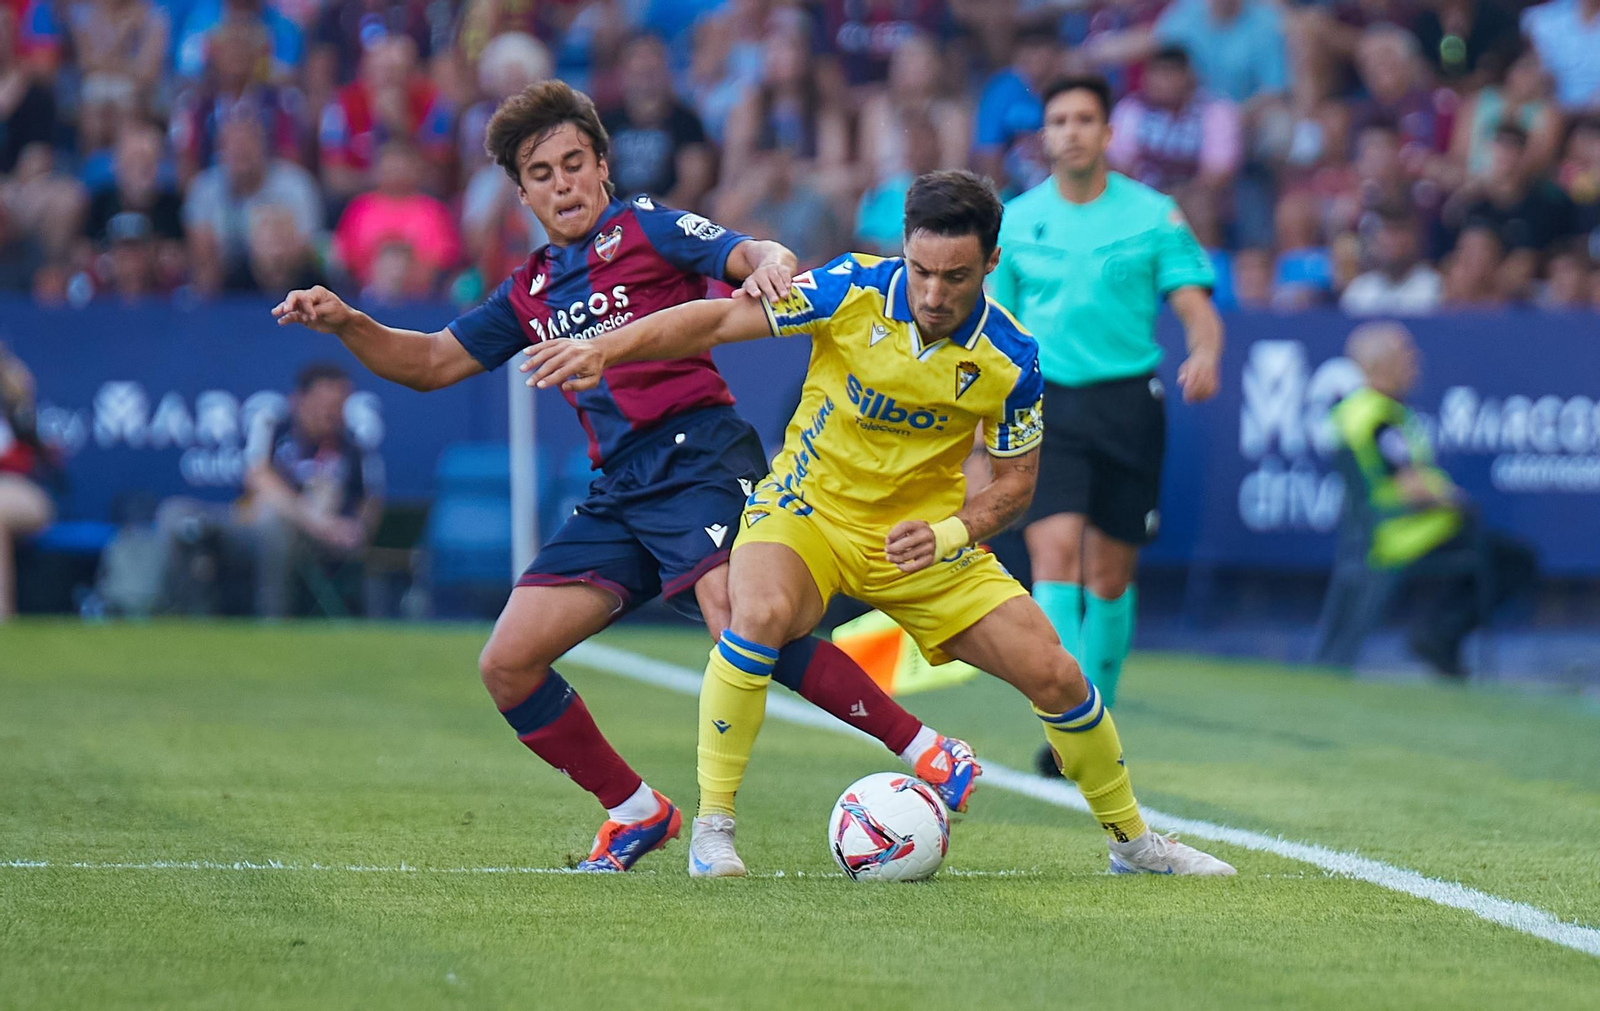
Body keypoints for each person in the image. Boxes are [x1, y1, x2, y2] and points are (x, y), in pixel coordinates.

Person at [273, 80, 978, 875]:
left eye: (575, 163)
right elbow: (433, 361)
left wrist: (773, 259)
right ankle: (636, 810)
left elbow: (742, 252)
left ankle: (928, 748)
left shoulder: (645, 226)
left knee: (742, 621)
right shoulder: (531, 289)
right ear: (521, 193)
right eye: (542, 174)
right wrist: (348, 323)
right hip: (621, 488)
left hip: (702, 454)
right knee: (507, 662)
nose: (563, 183)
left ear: (603, 165)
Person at [522, 170, 1235, 879]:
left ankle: (1132, 841)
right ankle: (714, 831)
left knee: (1056, 673)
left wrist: (952, 532)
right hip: (809, 512)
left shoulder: (1013, 359)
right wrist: (605, 348)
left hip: (925, 543)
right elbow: (715, 320)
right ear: (903, 250)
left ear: (991, 262)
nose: (932, 293)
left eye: (955, 276)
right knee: (757, 611)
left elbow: (1018, 484)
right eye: (920, 269)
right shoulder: (850, 289)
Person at [990, 76, 1222, 725]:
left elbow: (1196, 307)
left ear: (1109, 132)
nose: (1071, 130)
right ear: (1045, 135)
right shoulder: (1017, 217)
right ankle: (1067, 715)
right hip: (1047, 405)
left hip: (1128, 403)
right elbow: (998, 325)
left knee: (1110, 577)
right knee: (1055, 554)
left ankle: (1102, 708)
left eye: (1085, 118)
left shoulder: (1153, 215)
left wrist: (1204, 353)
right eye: (1059, 119)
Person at [1330, 323, 1537, 676]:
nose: (1416, 362)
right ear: (1382, 364)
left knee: (1496, 553)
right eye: (1407, 355)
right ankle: (1438, 635)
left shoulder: (1366, 410)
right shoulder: (1378, 416)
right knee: (1514, 560)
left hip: (1398, 528)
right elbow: (1410, 483)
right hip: (1406, 531)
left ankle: (1438, 635)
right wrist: (1454, 499)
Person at [160, 362, 382, 617]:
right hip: (246, 525)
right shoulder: (274, 428)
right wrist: (314, 519)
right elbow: (257, 478)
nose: (329, 414)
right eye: (323, 405)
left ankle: (272, 620)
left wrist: (353, 529)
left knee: (274, 527)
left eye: (337, 407)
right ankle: (168, 614)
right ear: (299, 400)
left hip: (305, 542)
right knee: (176, 513)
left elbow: (367, 509)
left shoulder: (353, 450)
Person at [0, 340, 55, 620]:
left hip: (20, 492)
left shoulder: (13, 397)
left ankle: (2, 616)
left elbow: (36, 459)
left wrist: (20, 398)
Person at [1340, 208, 1444, 315]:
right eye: (1388, 232)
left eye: (1399, 231)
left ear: (1415, 240)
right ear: (1375, 242)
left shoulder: (1434, 286)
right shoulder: (1359, 290)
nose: (1393, 242)